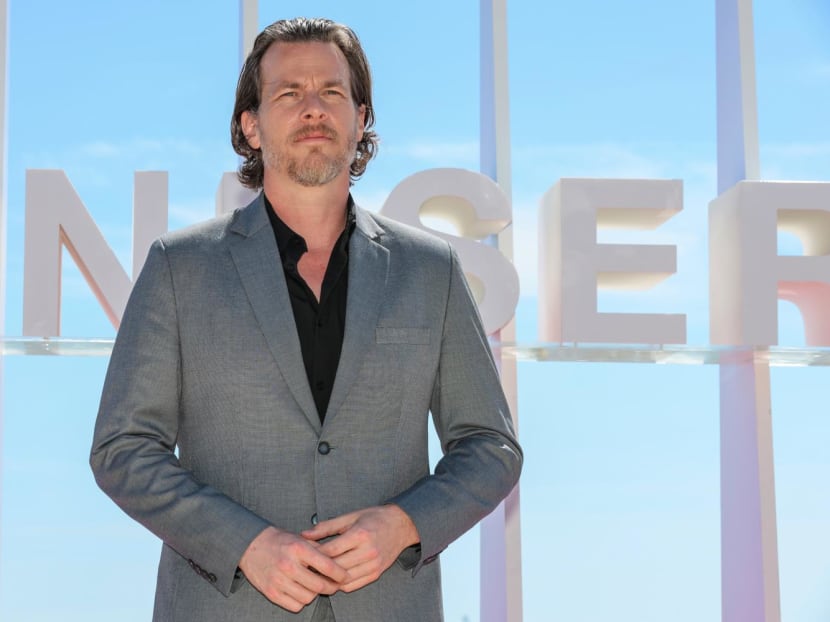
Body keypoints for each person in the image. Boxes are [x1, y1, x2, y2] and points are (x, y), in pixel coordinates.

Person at [90, 16, 521, 622]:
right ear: (251, 125)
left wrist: (402, 526)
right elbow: (122, 448)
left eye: (332, 92)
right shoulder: (177, 268)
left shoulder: (432, 270)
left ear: (361, 117)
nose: (313, 108)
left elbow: (491, 446)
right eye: (289, 93)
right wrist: (244, 546)